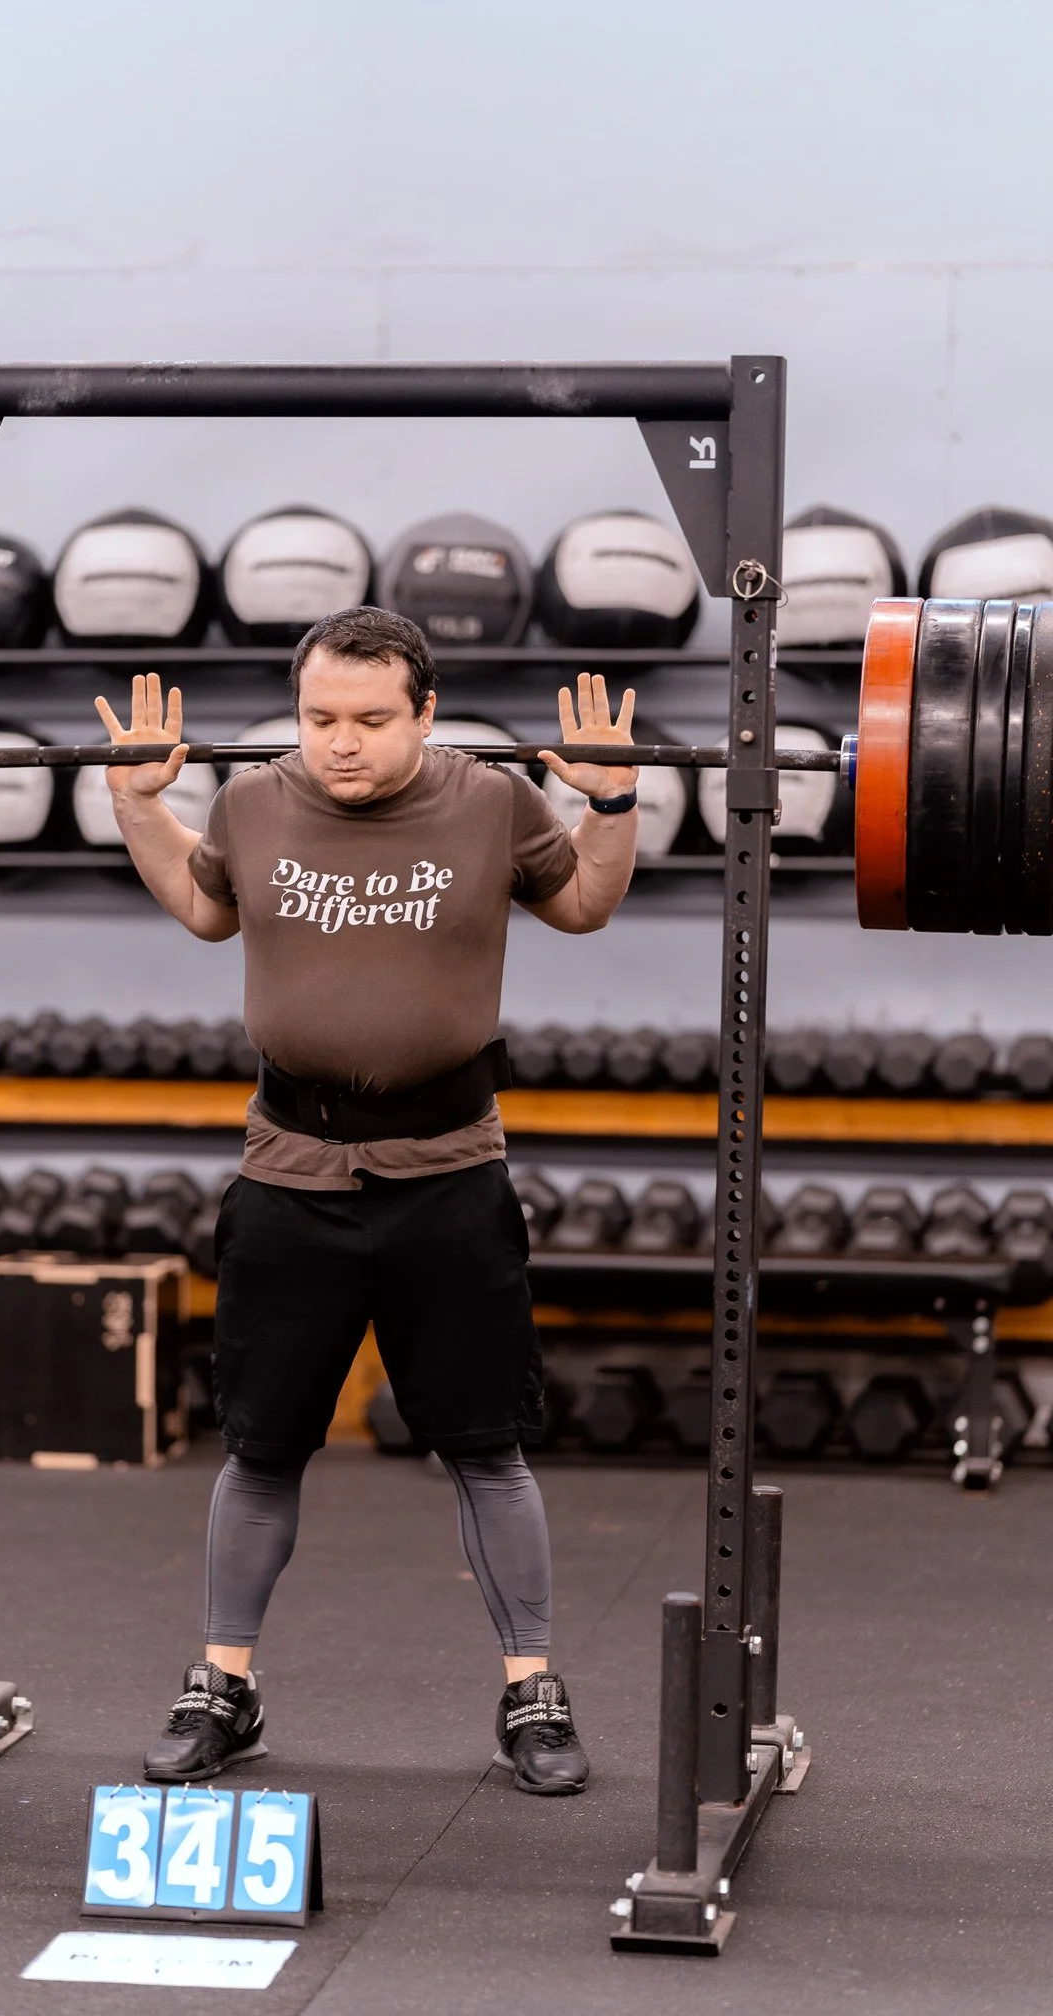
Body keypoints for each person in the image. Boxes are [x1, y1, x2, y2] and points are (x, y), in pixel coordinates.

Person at [95, 605, 638, 1795]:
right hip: (291, 1172)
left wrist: (609, 802)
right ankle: (224, 1685)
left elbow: (588, 903)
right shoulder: (252, 801)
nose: (341, 742)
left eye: (371, 719)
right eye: (320, 717)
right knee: (262, 1444)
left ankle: (530, 1690)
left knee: (485, 1448)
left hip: (448, 1172)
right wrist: (140, 804)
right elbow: (202, 906)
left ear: (426, 712)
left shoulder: (491, 801)